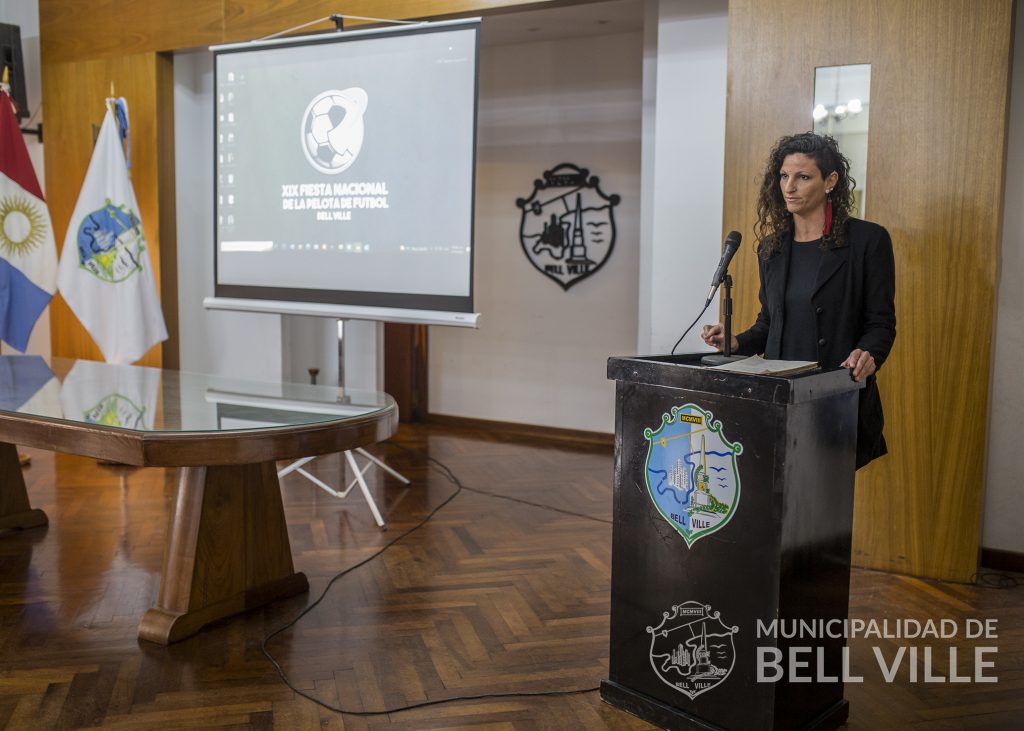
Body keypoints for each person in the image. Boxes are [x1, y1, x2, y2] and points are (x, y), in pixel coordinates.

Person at [701, 132, 896, 469]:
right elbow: (770, 322)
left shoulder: (868, 241)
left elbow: (880, 323)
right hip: (779, 400)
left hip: (836, 399)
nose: (789, 186)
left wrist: (869, 354)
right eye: (784, 176)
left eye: (803, 177)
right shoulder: (771, 249)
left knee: (822, 512)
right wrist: (736, 341)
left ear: (830, 181)